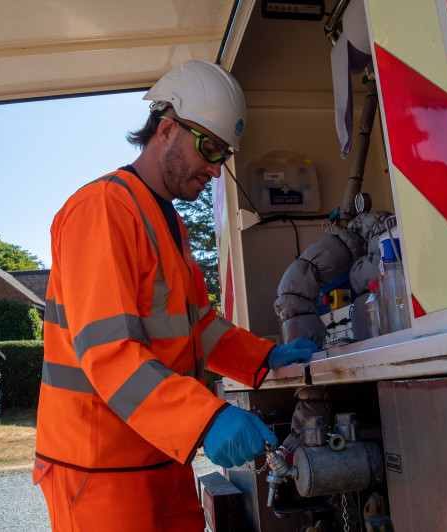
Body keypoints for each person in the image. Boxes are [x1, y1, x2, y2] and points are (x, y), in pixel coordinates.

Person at [33, 59, 317, 531]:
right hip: (98, 470)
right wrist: (205, 420)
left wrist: (268, 359)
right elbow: (108, 352)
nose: (213, 167)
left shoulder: (168, 222)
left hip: (164, 453)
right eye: (208, 145)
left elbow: (198, 326)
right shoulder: (102, 209)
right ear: (165, 129)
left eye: (222, 154)